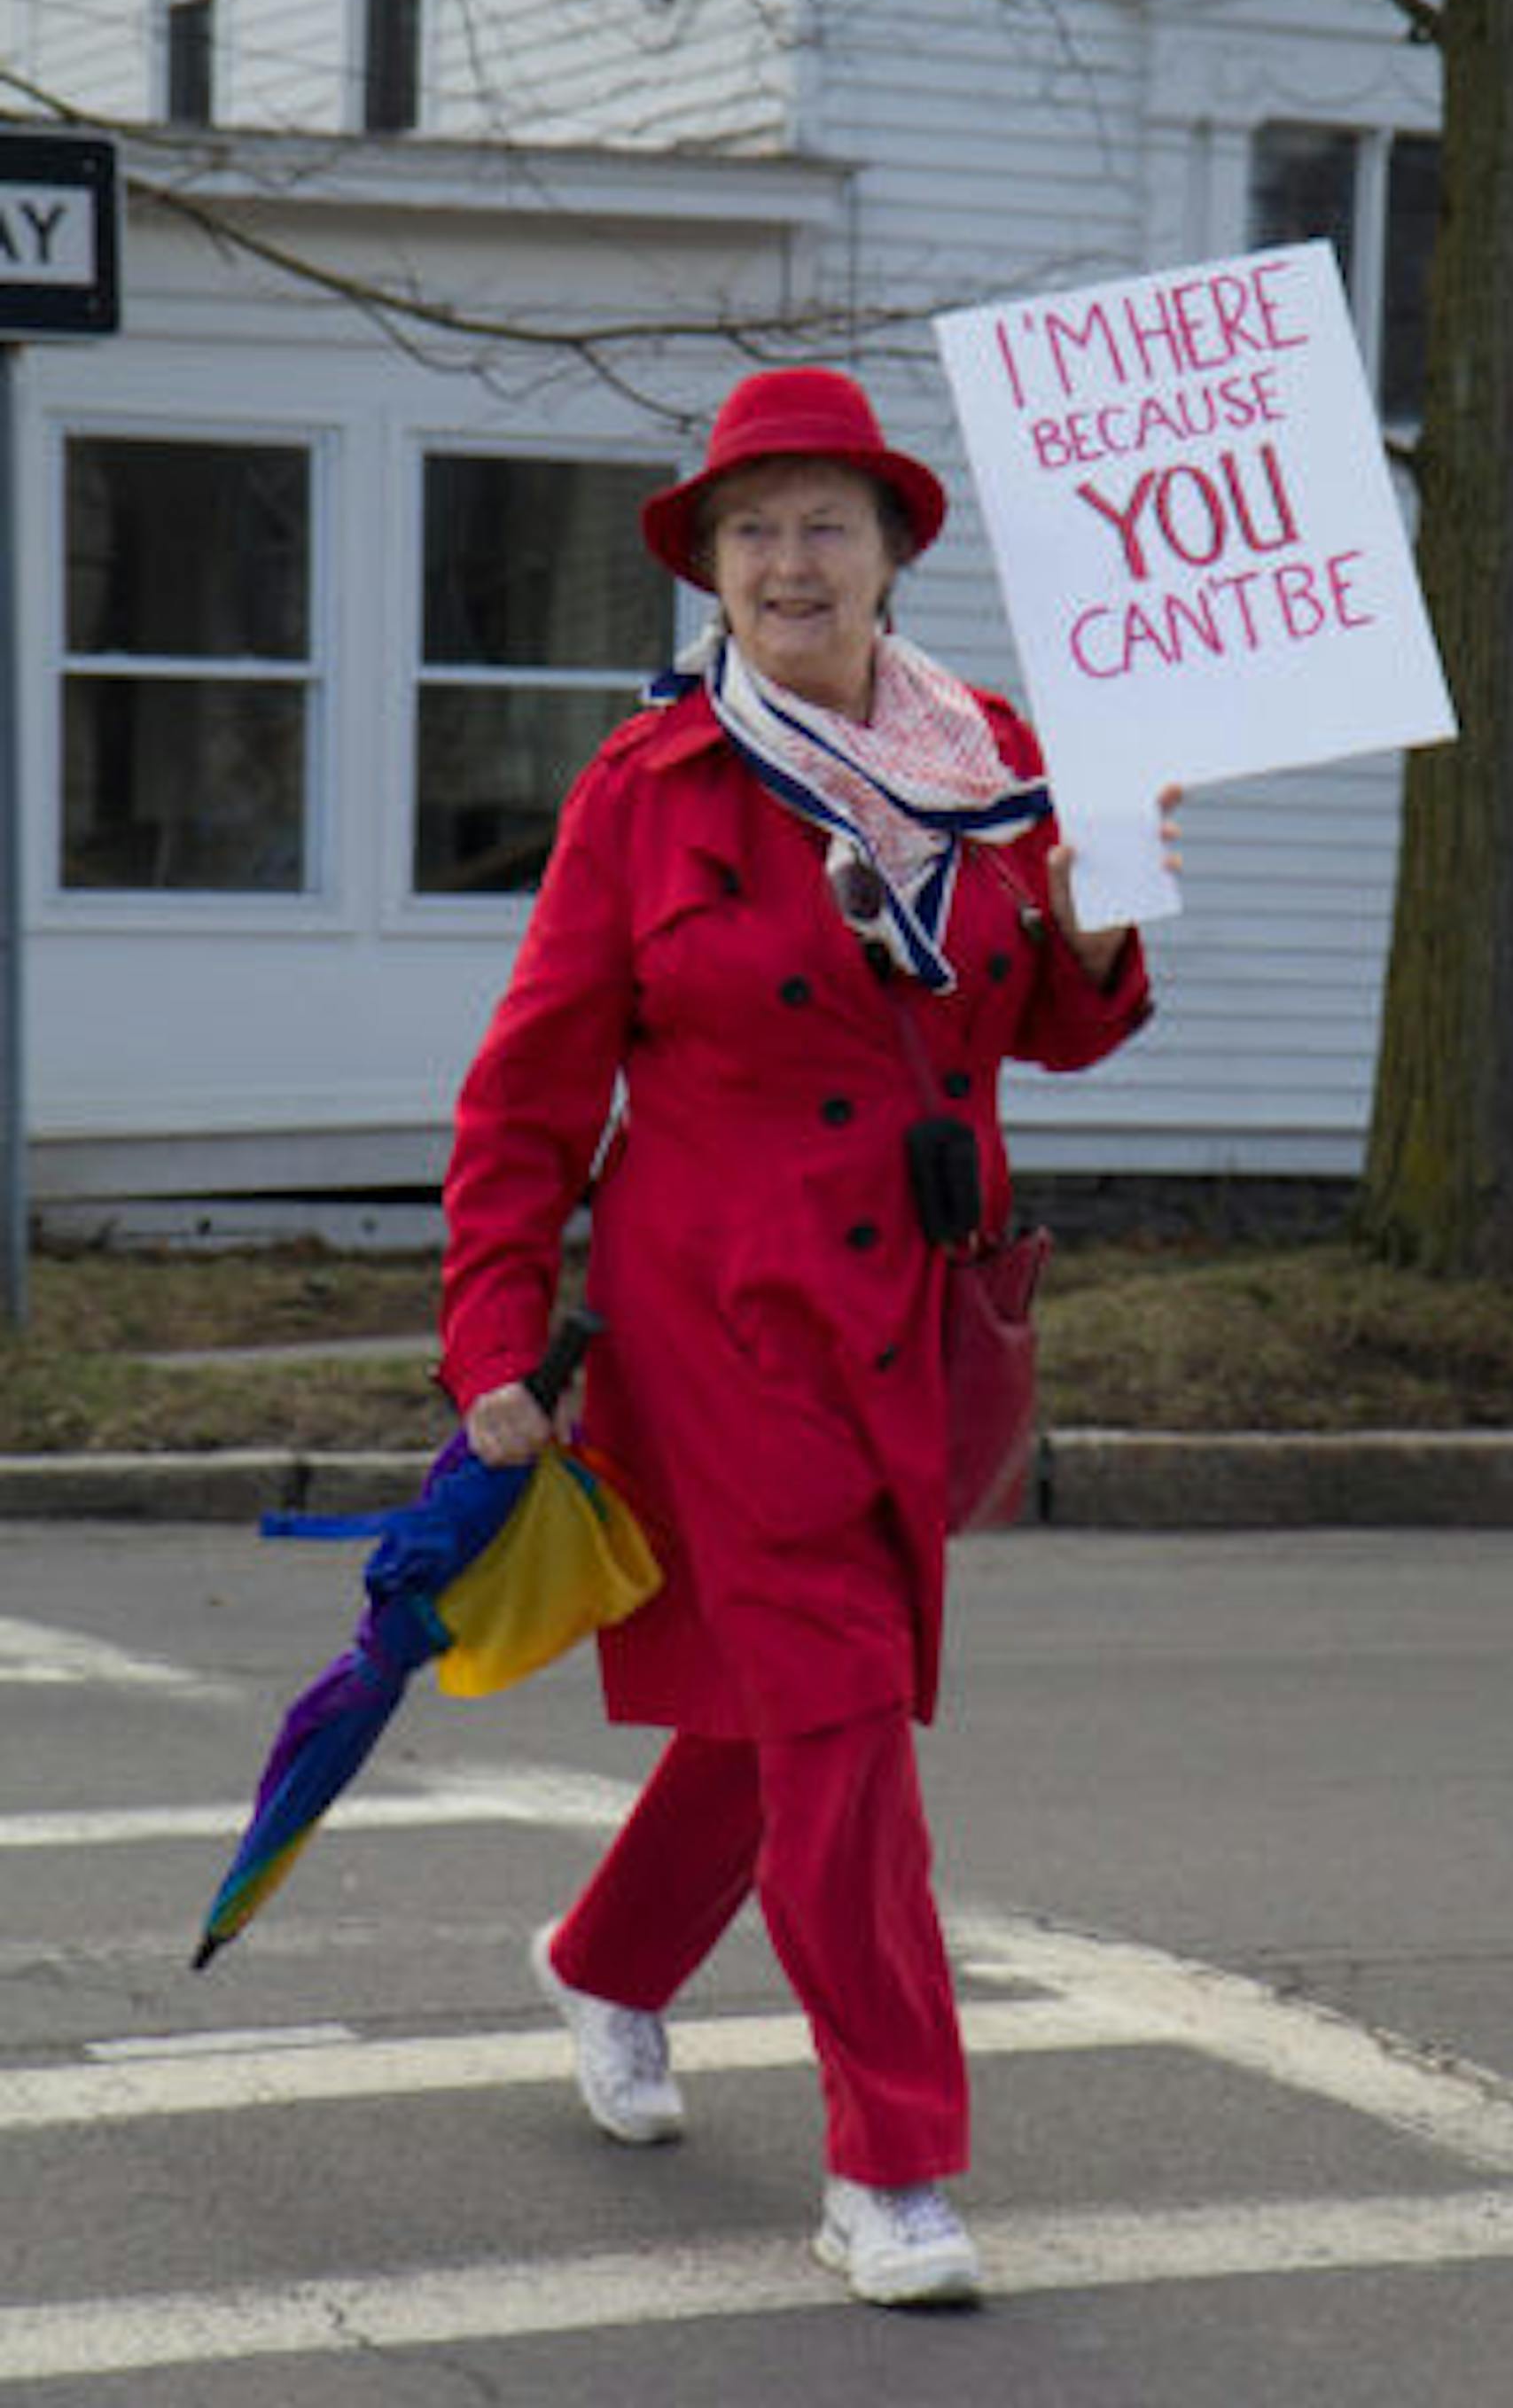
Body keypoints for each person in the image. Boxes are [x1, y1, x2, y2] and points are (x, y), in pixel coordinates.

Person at [438, 365, 1174, 2309]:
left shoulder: (1002, 759)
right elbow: (527, 1093)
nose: (787, 560)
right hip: (722, 1319)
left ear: (893, 553)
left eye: (825, 523)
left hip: (919, 1315)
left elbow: (1042, 1018)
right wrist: (494, 1325)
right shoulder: (649, 788)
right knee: (841, 1713)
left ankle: (605, 1959)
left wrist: (1098, 930)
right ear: (708, 566)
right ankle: (895, 2168)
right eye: (749, 528)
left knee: (783, 1705)